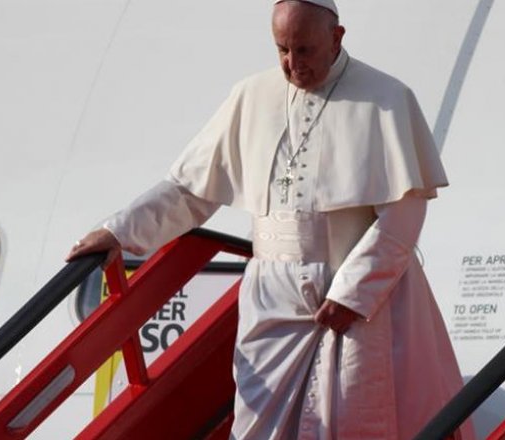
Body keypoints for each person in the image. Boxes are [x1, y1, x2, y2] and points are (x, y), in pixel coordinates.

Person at [67, 1, 471, 438]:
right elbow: (189, 189)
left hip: (351, 297)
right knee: (258, 424)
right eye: (282, 50)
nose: (292, 64)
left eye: (305, 50)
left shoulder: (387, 99)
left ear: (336, 38)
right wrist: (118, 231)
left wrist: (354, 292)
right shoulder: (251, 96)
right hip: (270, 296)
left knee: (350, 422)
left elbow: (404, 212)